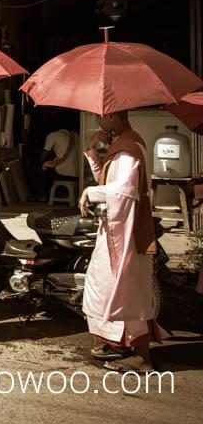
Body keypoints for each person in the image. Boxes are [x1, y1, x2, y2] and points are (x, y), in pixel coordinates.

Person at [79, 111, 168, 372]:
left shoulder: (129, 147)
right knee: (105, 286)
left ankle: (141, 356)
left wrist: (90, 192)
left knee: (126, 292)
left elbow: (124, 190)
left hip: (127, 232)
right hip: (116, 229)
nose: (97, 120)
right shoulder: (122, 144)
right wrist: (92, 151)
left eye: (101, 116)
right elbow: (106, 182)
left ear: (115, 116)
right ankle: (114, 341)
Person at [41, 117, 79, 198]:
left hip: (64, 175)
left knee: (42, 169)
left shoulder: (53, 135)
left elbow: (43, 155)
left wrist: (41, 163)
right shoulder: (76, 135)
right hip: (79, 174)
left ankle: (45, 196)